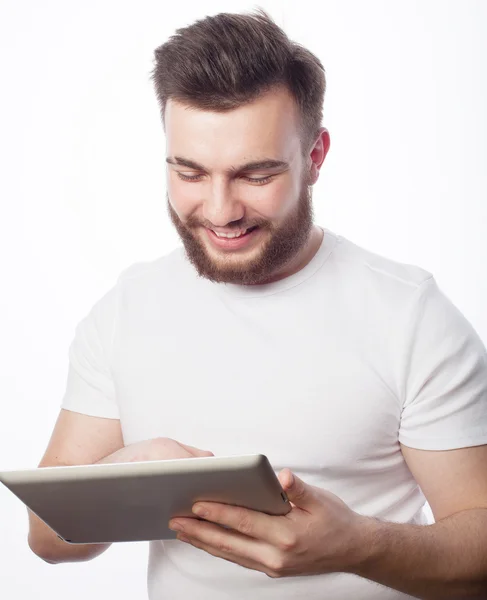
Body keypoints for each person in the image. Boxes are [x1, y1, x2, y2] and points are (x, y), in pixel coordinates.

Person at [27, 8, 487, 600]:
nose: (220, 211)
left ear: (315, 157)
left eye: (256, 174)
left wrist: (360, 545)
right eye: (189, 172)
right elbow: (46, 537)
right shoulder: (126, 308)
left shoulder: (410, 316)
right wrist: (131, 466)